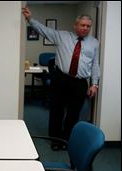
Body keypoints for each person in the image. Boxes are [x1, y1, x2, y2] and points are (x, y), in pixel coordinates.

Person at [22, 6, 100, 151]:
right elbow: (44, 30)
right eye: (82, 25)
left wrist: (94, 84)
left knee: (73, 113)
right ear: (75, 25)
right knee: (56, 110)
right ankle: (55, 140)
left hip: (79, 83)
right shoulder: (62, 36)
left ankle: (66, 139)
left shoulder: (94, 43)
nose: (85, 28)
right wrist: (30, 19)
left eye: (88, 26)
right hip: (61, 79)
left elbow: (95, 65)